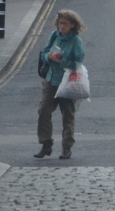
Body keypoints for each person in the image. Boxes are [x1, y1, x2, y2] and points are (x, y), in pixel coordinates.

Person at [36, 9, 85, 160]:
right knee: (43, 111)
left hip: (67, 82)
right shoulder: (54, 36)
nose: (62, 26)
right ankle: (46, 144)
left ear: (72, 25)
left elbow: (78, 63)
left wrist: (61, 61)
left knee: (67, 115)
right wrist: (49, 57)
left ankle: (66, 147)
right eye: (60, 23)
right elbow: (44, 53)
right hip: (51, 80)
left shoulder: (75, 41)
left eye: (65, 24)